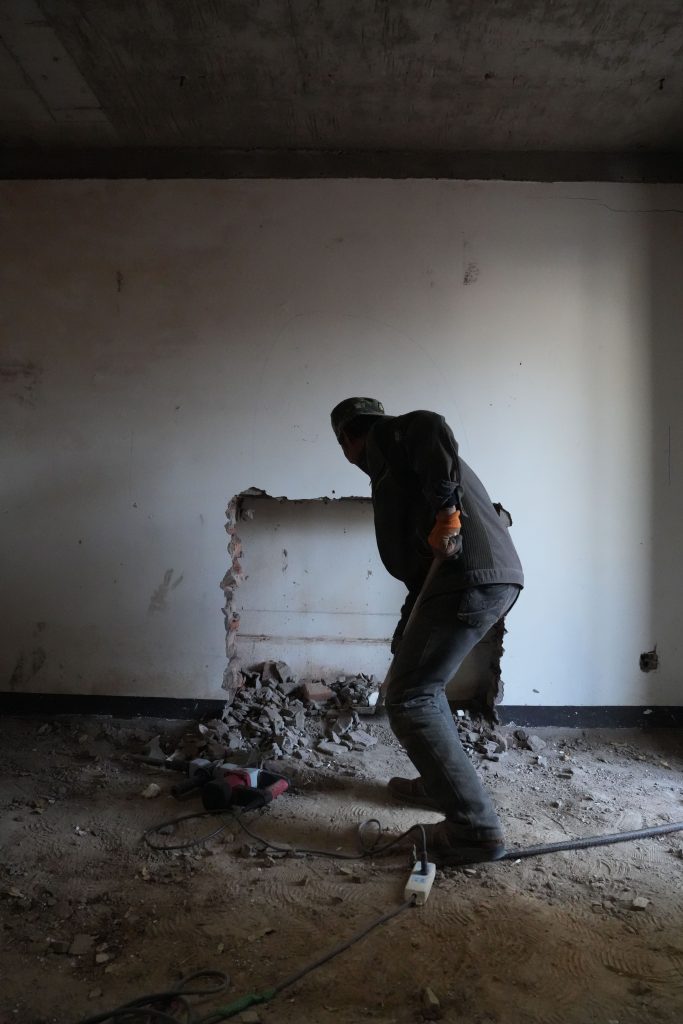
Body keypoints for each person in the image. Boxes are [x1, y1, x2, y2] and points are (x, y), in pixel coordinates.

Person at [330, 397, 524, 865]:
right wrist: (406, 628)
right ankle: (441, 784)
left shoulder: (388, 439)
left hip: (468, 577)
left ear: (348, 439)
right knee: (420, 686)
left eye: (344, 446)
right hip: (474, 580)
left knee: (409, 697)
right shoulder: (396, 473)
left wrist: (448, 514)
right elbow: (422, 570)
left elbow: (429, 425)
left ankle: (473, 830)